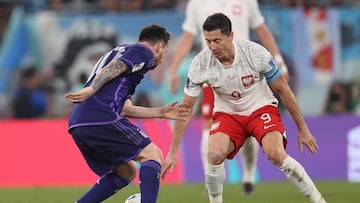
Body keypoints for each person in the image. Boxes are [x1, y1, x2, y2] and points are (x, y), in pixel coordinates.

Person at [161, 13, 326, 203]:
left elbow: (283, 90)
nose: (212, 47)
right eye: (208, 41)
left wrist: (303, 129)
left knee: (276, 154)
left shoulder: (255, 53)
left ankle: (318, 199)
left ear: (231, 35)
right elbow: (186, 109)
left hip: (260, 108)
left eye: (217, 40)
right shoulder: (200, 64)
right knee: (213, 154)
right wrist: (173, 151)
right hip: (228, 114)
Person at [167, 0, 289, 195]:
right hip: (213, 73)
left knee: (250, 126)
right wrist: (173, 69)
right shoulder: (196, 3)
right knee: (209, 124)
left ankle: (248, 176)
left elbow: (261, 28)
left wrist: (279, 60)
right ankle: (212, 180)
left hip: (245, 71)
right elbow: (188, 37)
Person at [64, 24, 190, 203]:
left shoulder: (118, 53)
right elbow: (116, 66)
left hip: (79, 122)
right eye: (165, 51)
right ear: (160, 46)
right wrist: (91, 89)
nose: (162, 58)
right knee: (152, 154)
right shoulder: (143, 52)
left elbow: (124, 108)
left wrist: (161, 112)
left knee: (127, 171)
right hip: (100, 115)